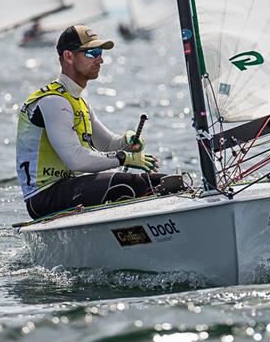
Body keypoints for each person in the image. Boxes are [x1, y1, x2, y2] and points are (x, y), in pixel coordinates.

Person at [15, 24, 183, 219]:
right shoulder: (54, 102)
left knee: (165, 182)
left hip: (72, 187)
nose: (100, 59)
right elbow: (75, 159)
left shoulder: (78, 101)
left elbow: (108, 144)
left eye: (100, 52)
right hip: (43, 197)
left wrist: (126, 142)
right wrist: (124, 158)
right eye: (92, 52)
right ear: (69, 56)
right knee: (127, 186)